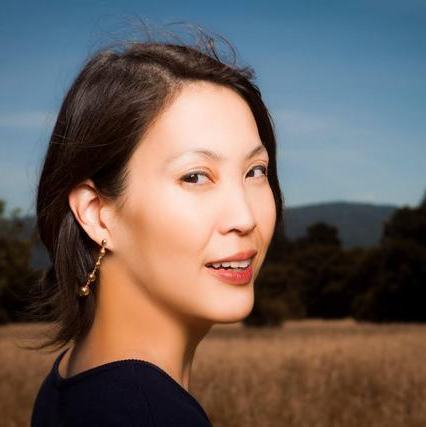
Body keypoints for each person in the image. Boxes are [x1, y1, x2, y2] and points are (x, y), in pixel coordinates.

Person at [27, 23, 284, 426]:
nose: (244, 218)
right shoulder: (147, 413)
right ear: (96, 212)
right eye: (195, 177)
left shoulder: (75, 376)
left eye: (255, 171)